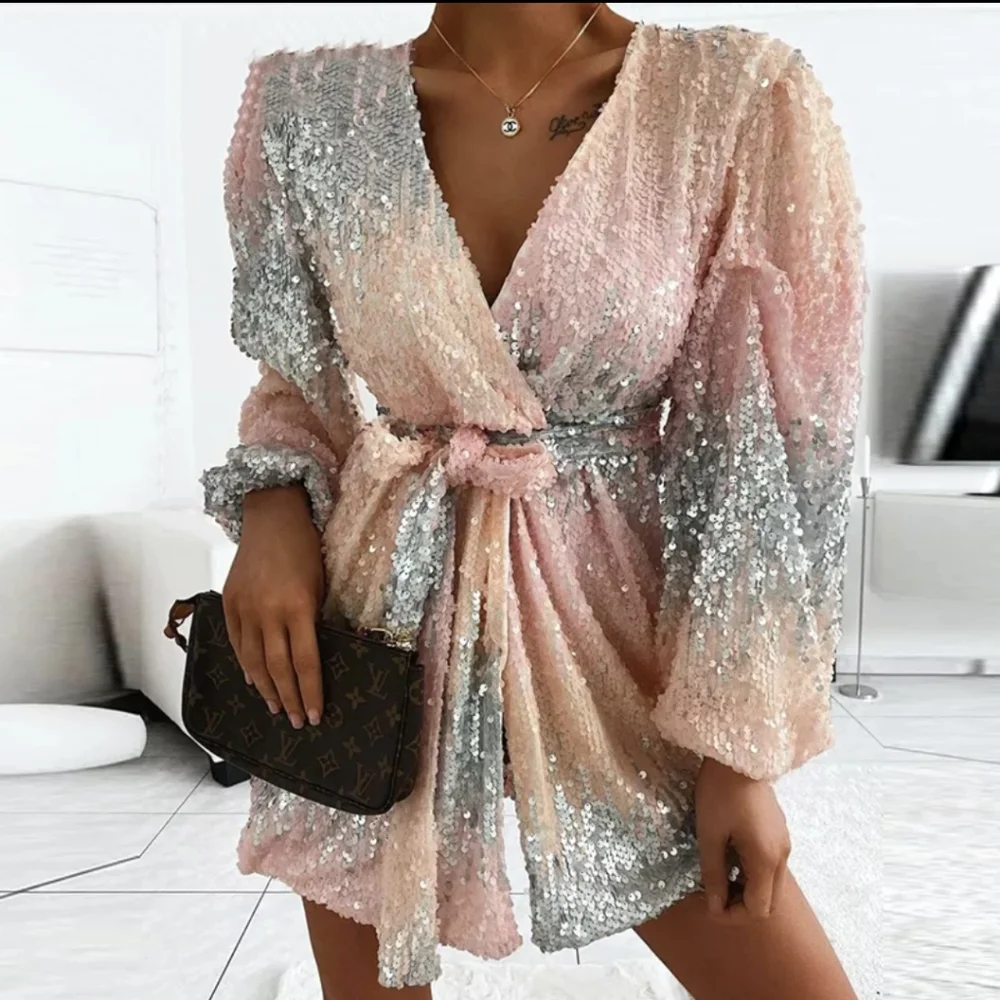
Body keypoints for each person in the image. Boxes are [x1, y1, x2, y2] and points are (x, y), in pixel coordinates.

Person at [201, 4, 865, 998]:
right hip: (377, 606)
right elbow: (293, 376)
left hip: (618, 619)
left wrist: (738, 751)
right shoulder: (304, 108)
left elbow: (764, 439)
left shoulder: (730, 97)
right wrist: (271, 511)